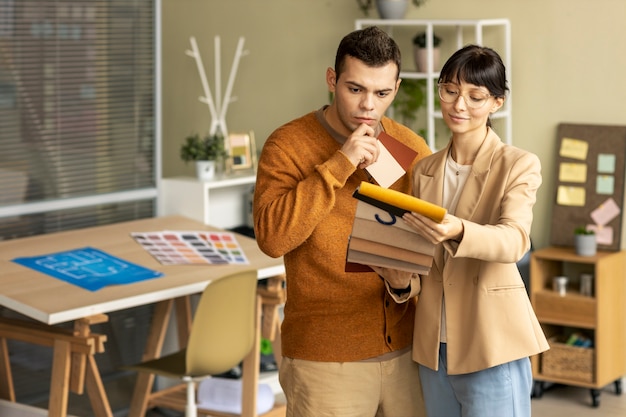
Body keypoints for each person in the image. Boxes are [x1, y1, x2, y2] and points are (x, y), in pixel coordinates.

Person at [253, 26, 431, 417]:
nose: (368, 105)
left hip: (406, 351)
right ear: (332, 80)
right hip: (324, 359)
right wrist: (340, 164)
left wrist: (405, 285)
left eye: (382, 93)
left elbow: (431, 249)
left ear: (396, 88)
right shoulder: (288, 144)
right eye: (355, 89)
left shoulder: (413, 149)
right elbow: (271, 238)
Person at [384, 44, 550, 417]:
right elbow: (422, 259)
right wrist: (400, 284)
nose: (459, 106)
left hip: (491, 343)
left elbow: (514, 240)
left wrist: (459, 228)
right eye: (450, 91)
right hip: (433, 348)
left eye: (476, 97)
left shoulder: (518, 164)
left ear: (497, 103)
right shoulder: (423, 169)